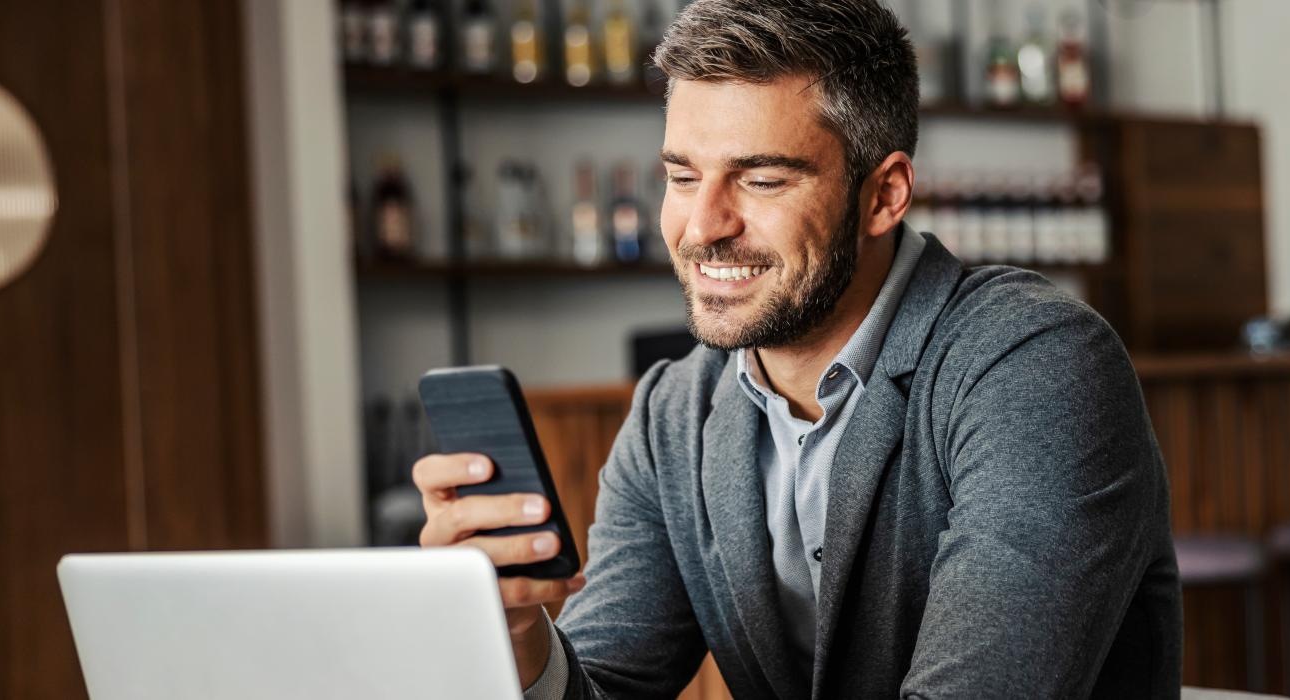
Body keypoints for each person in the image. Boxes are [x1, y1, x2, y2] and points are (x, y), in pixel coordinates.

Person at [412, 1, 1181, 697]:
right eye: (683, 176)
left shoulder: (1036, 365)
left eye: (763, 180)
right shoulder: (672, 413)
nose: (702, 224)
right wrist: (517, 636)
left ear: (883, 194)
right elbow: (606, 685)